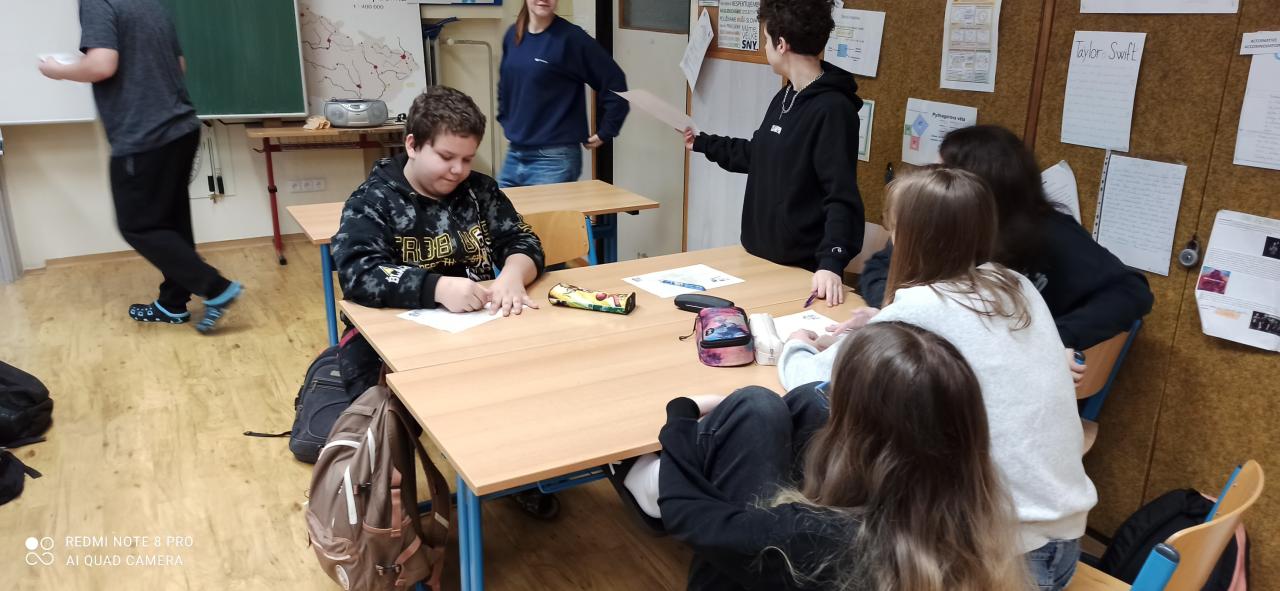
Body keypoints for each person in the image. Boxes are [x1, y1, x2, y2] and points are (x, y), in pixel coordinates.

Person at [778, 168, 1097, 591]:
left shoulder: (916, 309)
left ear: (911, 237)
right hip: (1066, 541)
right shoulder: (1017, 286)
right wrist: (879, 321)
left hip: (1002, 562)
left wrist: (795, 344)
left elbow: (809, 382)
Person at [623, 322, 1030, 590]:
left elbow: (691, 517)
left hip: (750, 557)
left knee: (759, 406)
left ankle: (639, 478)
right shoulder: (971, 510)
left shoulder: (814, 536)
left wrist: (680, 417)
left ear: (864, 439)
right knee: (800, 401)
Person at [330, 85, 555, 517]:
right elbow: (358, 273)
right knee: (387, 419)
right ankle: (387, 509)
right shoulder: (373, 200)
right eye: (447, 157)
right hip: (390, 342)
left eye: (468, 159)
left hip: (480, 329)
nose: (458, 171)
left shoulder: (480, 192)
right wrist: (436, 288)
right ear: (412, 145)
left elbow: (522, 239)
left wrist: (512, 274)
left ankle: (517, 472)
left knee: (530, 381)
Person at [38, 0, 242, 333]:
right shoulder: (151, 3)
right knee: (172, 224)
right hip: (181, 128)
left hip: (144, 136)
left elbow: (102, 65)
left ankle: (216, 288)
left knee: (138, 225)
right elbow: (179, 65)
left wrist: (57, 70)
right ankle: (173, 304)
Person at [856, 125, 1153, 352]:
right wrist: (902, 312)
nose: (933, 181)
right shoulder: (939, 222)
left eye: (944, 173)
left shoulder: (1051, 232)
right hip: (945, 352)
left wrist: (1049, 340)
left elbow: (1131, 292)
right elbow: (881, 269)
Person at [684, 0, 864, 308]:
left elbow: (841, 195)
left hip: (800, 270)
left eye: (766, 39)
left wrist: (831, 263)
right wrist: (703, 143)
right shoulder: (787, 95)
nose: (764, 46)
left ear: (781, 44)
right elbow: (760, 155)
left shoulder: (833, 110)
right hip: (757, 258)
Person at [497, 0, 629, 188]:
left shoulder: (572, 39)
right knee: (497, 207)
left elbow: (614, 81)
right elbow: (505, 83)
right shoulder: (513, 34)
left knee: (540, 211)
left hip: (554, 159)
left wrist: (606, 130)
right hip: (515, 153)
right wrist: (506, 119)